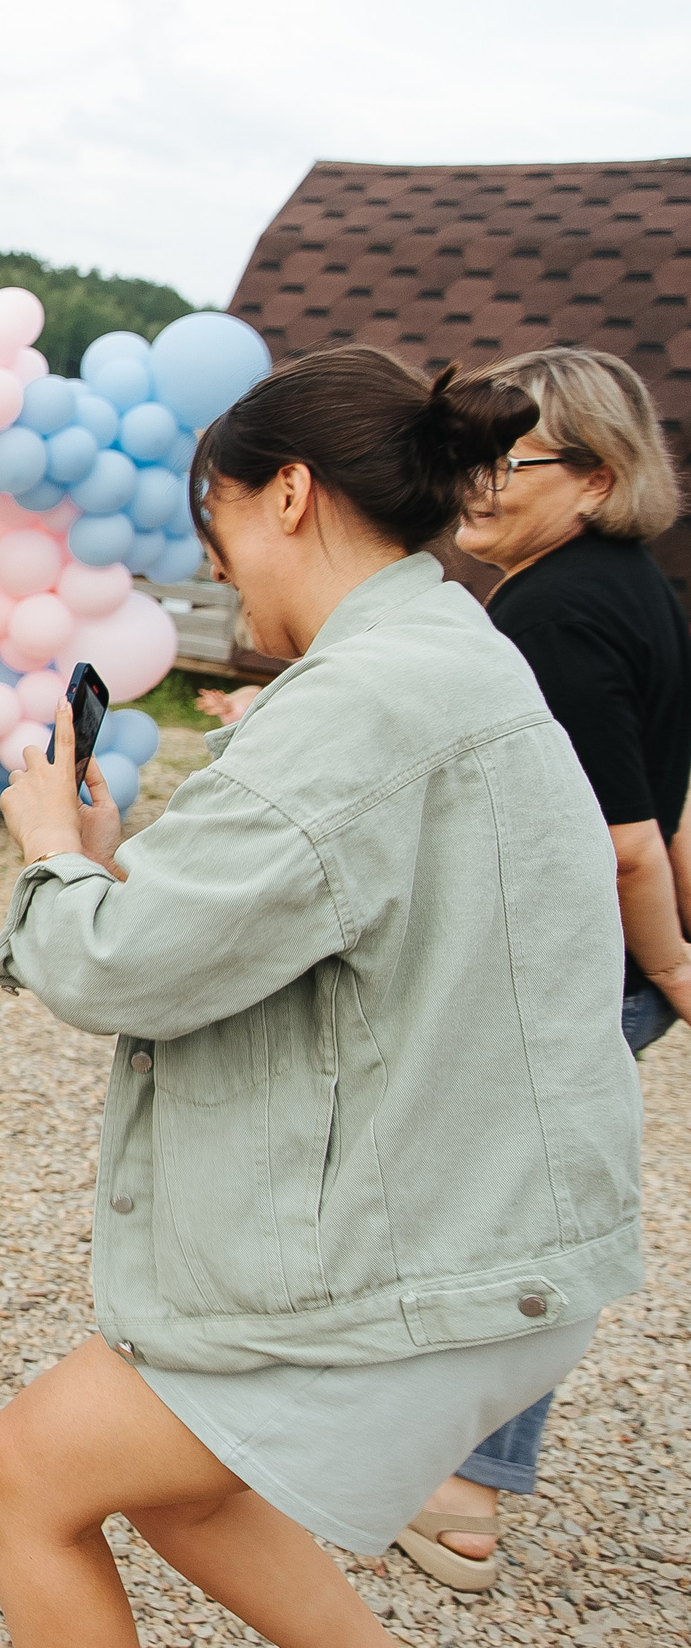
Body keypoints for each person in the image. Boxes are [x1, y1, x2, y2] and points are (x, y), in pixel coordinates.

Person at [0, 345, 643, 1648]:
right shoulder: (453, 645)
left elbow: (119, 966)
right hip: (493, 1226)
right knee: (183, 1489)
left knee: (32, 1466)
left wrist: (56, 854)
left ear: (286, 493)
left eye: (212, 520)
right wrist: (119, 870)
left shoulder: (358, 706)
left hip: (433, 1252)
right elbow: (271, 919)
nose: (214, 564)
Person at [390, 346, 688, 1591]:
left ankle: (460, 1499)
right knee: (505, 1216)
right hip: (602, 969)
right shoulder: (633, 587)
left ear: (597, 474)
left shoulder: (553, 613)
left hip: (568, 971)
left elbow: (622, 841)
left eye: (508, 459)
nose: (479, 482)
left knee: (505, 1235)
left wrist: (671, 970)